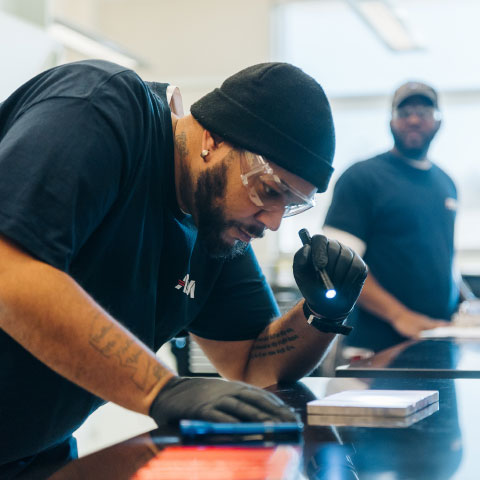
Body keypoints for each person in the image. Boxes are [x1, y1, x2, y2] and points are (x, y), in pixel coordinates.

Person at [0, 59, 367, 476]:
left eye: (291, 205)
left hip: (34, 453)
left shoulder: (212, 226)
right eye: (268, 191)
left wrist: (320, 312)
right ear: (212, 139)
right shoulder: (101, 107)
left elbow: (250, 365)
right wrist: (161, 389)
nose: (273, 221)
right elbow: (8, 271)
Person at [323, 80, 467, 353]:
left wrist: (468, 304)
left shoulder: (446, 183)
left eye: (424, 113)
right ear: (390, 121)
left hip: (435, 343)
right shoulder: (362, 177)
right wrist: (400, 316)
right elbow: (335, 265)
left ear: (438, 123)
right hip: (372, 349)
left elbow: (443, 260)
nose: (413, 119)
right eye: (404, 112)